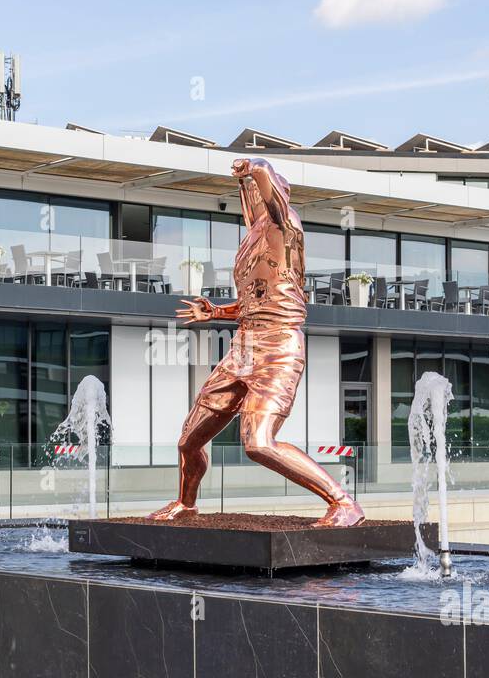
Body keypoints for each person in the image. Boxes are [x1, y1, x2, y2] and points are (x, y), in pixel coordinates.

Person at [148, 157, 365, 528]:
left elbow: (271, 194)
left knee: (258, 442)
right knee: (189, 440)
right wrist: (215, 313)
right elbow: (255, 304)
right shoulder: (252, 240)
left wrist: (257, 165)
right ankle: (186, 504)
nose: (250, 195)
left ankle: (344, 504)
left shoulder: (287, 226)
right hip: (244, 348)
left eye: (255, 189)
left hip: (278, 348)